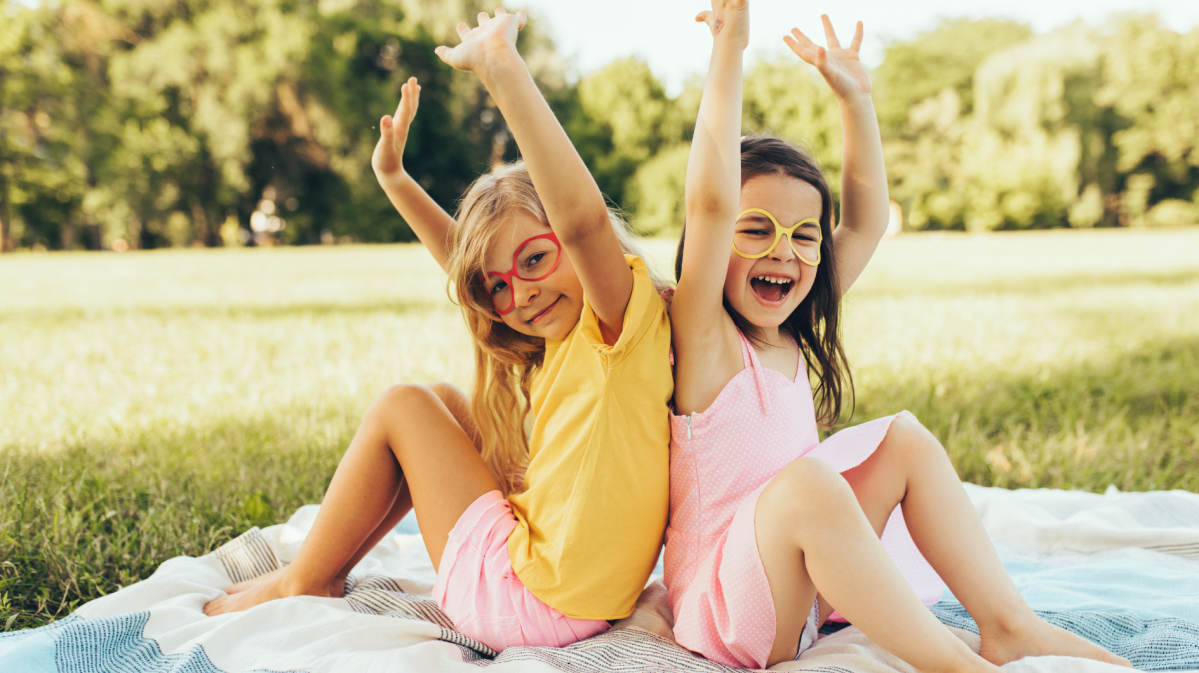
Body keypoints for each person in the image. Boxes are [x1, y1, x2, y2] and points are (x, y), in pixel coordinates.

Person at [664, 1, 1134, 670]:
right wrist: (728, 51)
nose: (785, 252)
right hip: (724, 611)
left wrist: (855, 99)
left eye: (803, 235)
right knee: (808, 483)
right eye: (755, 229)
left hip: (795, 596)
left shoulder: (793, 332)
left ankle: (1008, 624)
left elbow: (864, 222)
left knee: (902, 437)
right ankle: (958, 666)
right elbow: (707, 202)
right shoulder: (703, 335)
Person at [204, 9, 673, 655]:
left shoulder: (616, 316)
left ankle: (304, 579)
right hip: (575, 599)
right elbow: (471, 265)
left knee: (404, 405)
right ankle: (323, 566)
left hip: (527, 604)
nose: (520, 293)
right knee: (446, 402)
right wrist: (395, 180)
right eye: (499, 287)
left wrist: (503, 71)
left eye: (535, 260)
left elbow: (583, 221)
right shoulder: (581, 335)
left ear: (566, 240)